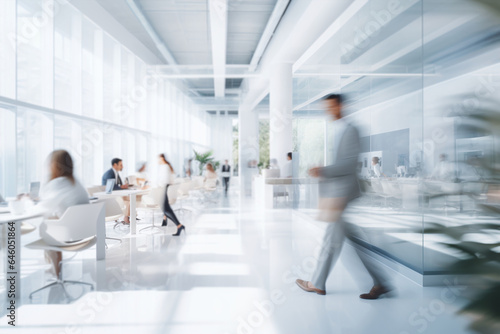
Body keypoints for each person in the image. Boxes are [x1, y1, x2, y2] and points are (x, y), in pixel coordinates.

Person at [295, 94, 393, 300]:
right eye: (326, 107)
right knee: (342, 240)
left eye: (331, 106)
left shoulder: (351, 130)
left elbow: (349, 164)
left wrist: (323, 170)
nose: (328, 111)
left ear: (341, 106)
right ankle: (380, 282)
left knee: (332, 238)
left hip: (344, 193)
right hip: (340, 192)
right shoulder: (342, 130)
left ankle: (318, 284)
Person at [37, 150, 89, 278]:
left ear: (54, 165)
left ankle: (54, 266)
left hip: (70, 234)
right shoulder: (76, 182)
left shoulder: (58, 183)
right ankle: (55, 266)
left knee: (46, 223)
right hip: (85, 232)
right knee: (52, 219)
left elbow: (44, 205)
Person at [158, 154, 184, 236]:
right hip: (166, 188)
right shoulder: (167, 166)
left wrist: (156, 184)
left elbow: (164, 180)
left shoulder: (164, 167)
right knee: (166, 208)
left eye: (158, 159)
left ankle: (179, 225)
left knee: (166, 209)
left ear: (162, 159)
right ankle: (166, 220)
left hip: (164, 189)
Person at [102, 158, 131, 224]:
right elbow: (110, 186)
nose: (122, 167)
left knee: (129, 198)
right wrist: (121, 187)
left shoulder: (116, 173)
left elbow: (118, 184)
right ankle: (126, 218)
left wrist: (123, 186)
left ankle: (126, 217)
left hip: (115, 194)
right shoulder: (109, 173)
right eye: (121, 165)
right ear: (115, 165)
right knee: (128, 199)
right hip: (109, 196)